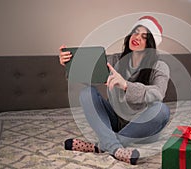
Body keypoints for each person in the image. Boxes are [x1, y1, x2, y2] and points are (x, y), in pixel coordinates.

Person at [58, 16, 170, 165]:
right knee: (86, 93)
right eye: (135, 32)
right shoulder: (113, 61)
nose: (137, 37)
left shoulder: (160, 67)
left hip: (142, 125)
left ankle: (103, 145)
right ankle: (114, 146)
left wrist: (125, 85)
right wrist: (69, 63)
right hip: (115, 119)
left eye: (144, 37)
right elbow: (85, 75)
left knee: (162, 110)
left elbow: (158, 93)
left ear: (150, 44)